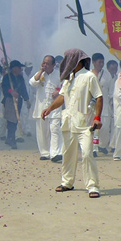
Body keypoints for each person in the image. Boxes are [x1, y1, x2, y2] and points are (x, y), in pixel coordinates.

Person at [42, 48, 103, 198]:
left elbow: (99, 97)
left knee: (88, 153)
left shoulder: (89, 77)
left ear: (77, 61)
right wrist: (50, 108)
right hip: (69, 122)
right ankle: (67, 182)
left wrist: (97, 118)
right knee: (68, 154)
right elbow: (62, 97)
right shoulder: (68, 79)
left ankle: (93, 186)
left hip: (85, 123)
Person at [29, 55, 58, 161]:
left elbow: (65, 86)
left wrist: (58, 92)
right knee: (42, 131)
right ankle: (44, 153)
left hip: (54, 107)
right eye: (44, 63)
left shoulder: (59, 74)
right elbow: (32, 83)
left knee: (54, 130)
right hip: (41, 107)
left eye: (48, 63)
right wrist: (41, 70)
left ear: (53, 65)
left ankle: (54, 152)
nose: (45, 65)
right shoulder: (40, 74)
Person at [1, 60, 30, 150]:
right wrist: (11, 91)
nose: (21, 69)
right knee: (10, 120)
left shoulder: (20, 78)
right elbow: (4, 87)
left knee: (15, 120)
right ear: (14, 68)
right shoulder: (7, 77)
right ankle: (11, 139)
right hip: (9, 100)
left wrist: (27, 99)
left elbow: (23, 89)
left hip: (19, 100)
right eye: (19, 67)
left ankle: (10, 138)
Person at [94, 54, 115, 155]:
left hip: (105, 105)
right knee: (93, 128)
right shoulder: (89, 74)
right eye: (99, 62)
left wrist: (112, 102)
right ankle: (93, 148)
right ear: (94, 63)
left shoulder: (107, 75)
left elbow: (111, 91)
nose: (101, 64)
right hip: (92, 106)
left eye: (102, 62)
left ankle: (102, 145)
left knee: (105, 128)